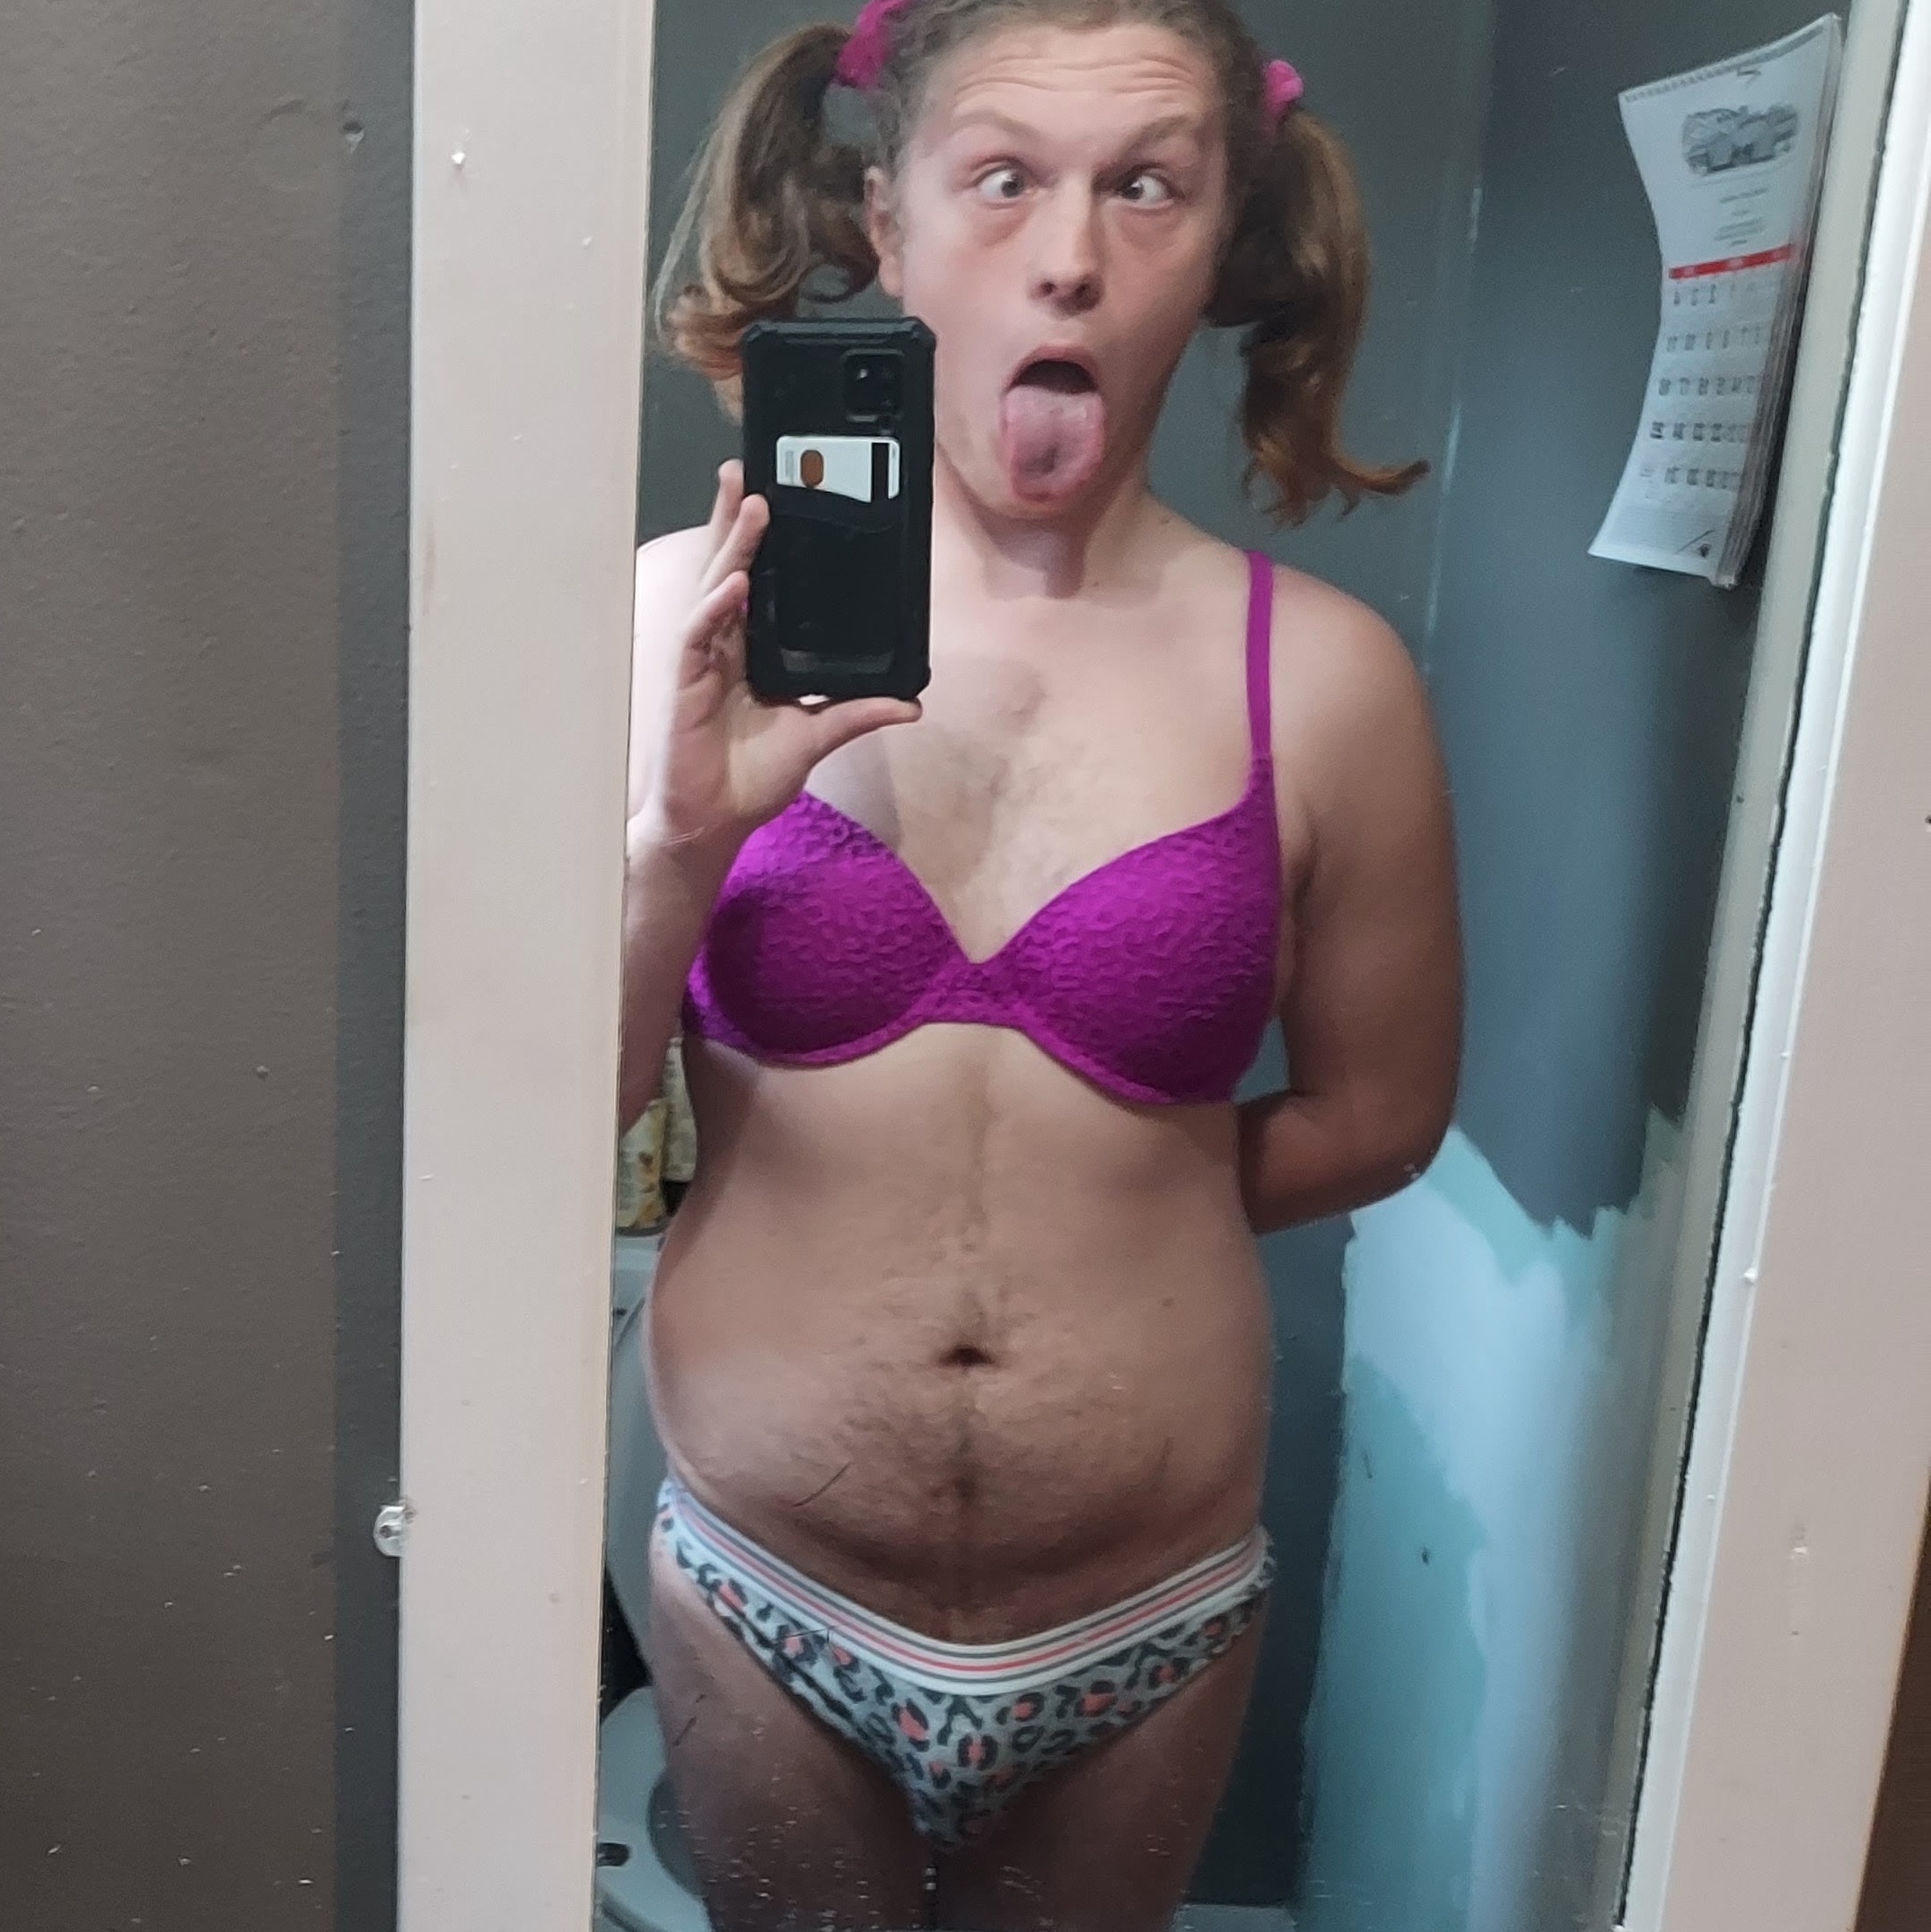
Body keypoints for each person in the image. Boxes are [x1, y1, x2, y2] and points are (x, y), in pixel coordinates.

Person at [619, 2, 1461, 1926]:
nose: (1069, 253)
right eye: (1000, 178)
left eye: (1146, 187)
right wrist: (678, 849)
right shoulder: (682, 620)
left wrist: (1108, 1189)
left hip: (1140, 1613)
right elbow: (537, 1129)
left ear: (1225, 241)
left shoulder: (1326, 679)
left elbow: (1381, 1114)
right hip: (768, 1586)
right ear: (885, 224)